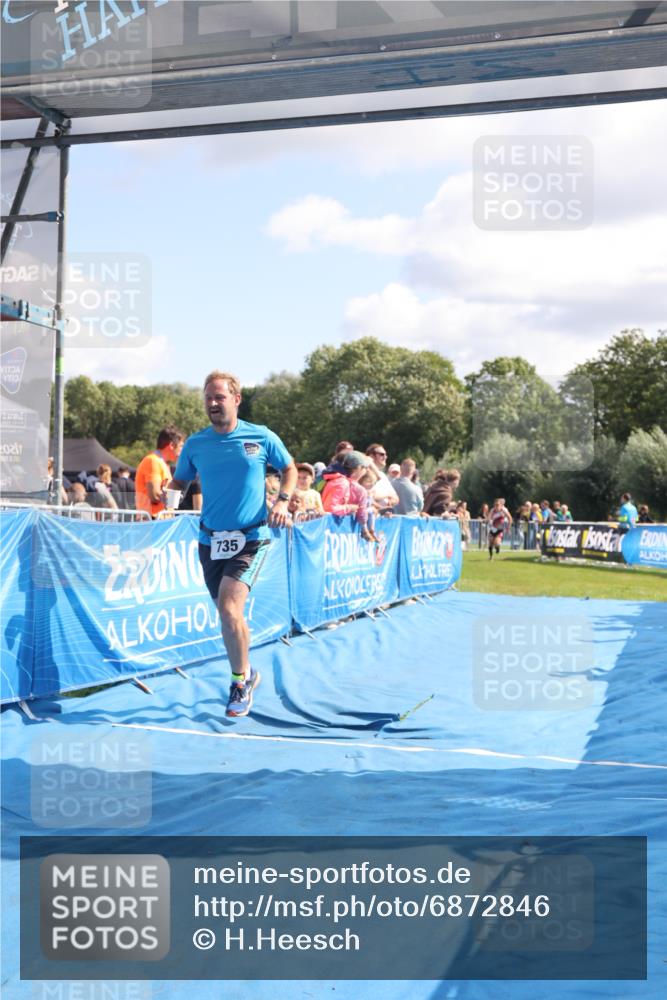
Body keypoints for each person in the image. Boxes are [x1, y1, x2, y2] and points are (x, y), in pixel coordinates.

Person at [169, 371, 297, 718]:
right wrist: (163, 506)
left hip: (251, 538)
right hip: (210, 539)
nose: (212, 403)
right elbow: (179, 481)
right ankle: (249, 671)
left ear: (236, 399)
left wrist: (283, 501)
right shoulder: (196, 444)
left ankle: (239, 683)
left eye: (219, 397)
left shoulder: (260, 436)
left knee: (229, 609)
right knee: (228, 617)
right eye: (208, 398)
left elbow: (289, 469)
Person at [321, 450, 377, 541]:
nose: (366, 470)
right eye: (365, 467)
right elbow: (329, 509)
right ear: (358, 468)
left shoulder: (333, 479)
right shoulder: (348, 485)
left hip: (328, 529)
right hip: (333, 532)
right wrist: (350, 508)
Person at [136, 426, 184, 519]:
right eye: (181, 446)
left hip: (159, 521)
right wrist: (175, 496)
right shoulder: (153, 461)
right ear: (171, 446)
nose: (182, 450)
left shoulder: (162, 463)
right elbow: (154, 496)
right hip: (152, 521)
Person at [365, 443, 399, 514]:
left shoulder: (383, 476)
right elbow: (368, 497)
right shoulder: (365, 475)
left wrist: (390, 501)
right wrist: (387, 495)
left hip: (385, 517)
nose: (385, 457)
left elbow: (396, 498)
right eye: (382, 454)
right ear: (371, 456)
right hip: (371, 516)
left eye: (386, 455)